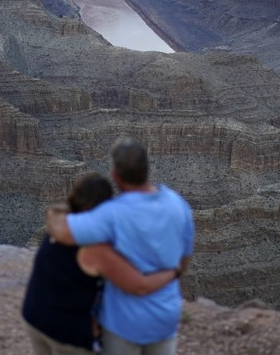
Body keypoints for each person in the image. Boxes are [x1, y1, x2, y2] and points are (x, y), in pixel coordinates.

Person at [46, 138, 195, 355]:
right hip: (165, 317)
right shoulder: (178, 204)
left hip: (124, 324)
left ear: (116, 175)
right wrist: (171, 274)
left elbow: (61, 232)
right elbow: (184, 259)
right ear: (147, 168)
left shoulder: (111, 214)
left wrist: (53, 213)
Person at [23, 172, 179, 355]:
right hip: (65, 334)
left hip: (34, 318)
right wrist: (173, 272)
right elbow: (140, 286)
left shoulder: (60, 223)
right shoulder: (94, 248)